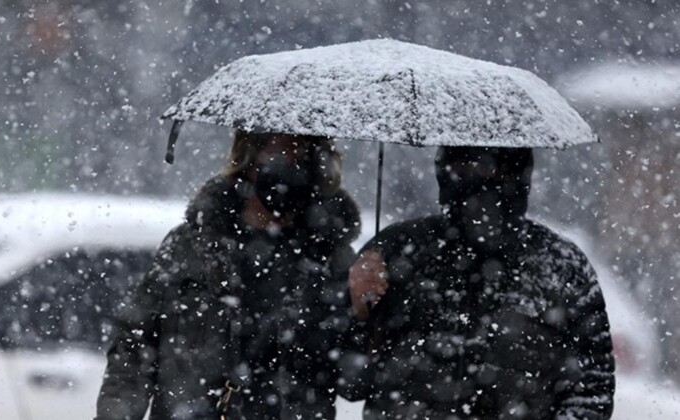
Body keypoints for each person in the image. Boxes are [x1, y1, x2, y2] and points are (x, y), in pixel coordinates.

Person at [95, 131, 361, 419]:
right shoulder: (191, 246)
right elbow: (134, 349)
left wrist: (362, 312)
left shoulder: (330, 259)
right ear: (248, 159)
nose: (292, 168)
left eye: (304, 158)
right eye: (282, 154)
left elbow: (355, 381)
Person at [341, 146, 615, 419]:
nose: (481, 179)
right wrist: (357, 310)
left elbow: (592, 391)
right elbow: (350, 383)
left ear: (519, 171)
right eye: (466, 166)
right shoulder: (396, 251)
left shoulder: (561, 266)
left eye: (496, 169)